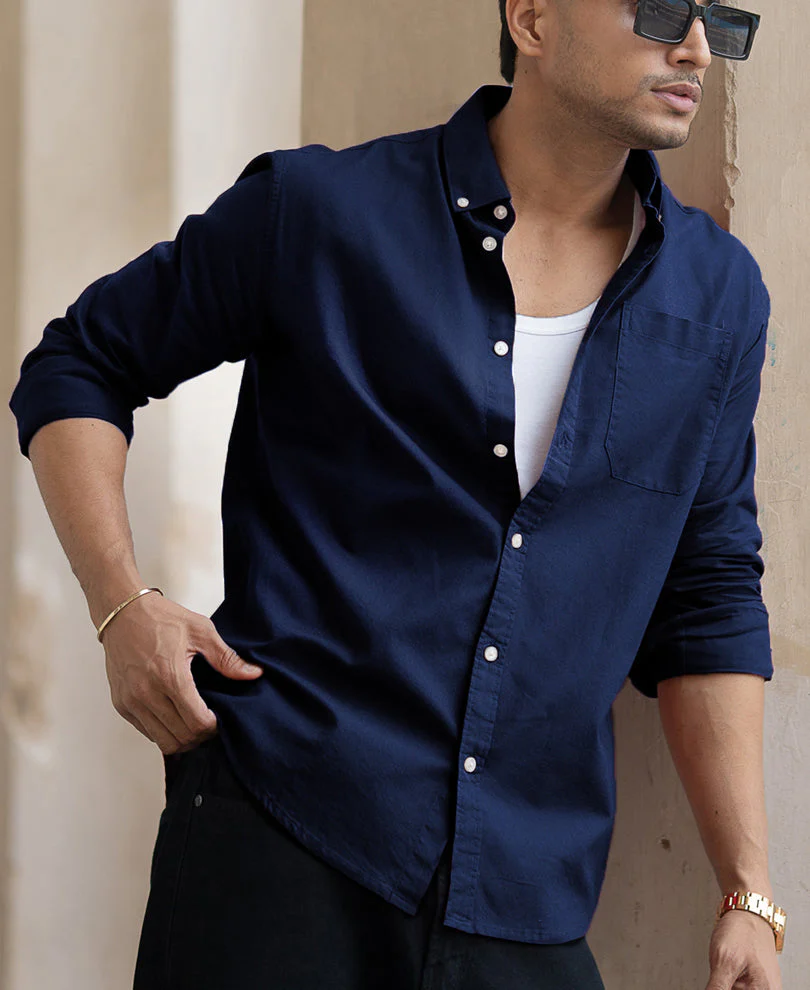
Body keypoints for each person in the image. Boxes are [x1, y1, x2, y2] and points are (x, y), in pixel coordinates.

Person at [8, 1, 786, 988]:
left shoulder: (718, 298)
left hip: (527, 891)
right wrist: (122, 608)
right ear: (532, 18)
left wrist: (747, 892)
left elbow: (709, 592)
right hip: (285, 842)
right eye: (660, 9)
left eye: (720, 19)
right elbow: (79, 363)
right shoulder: (324, 212)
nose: (697, 48)